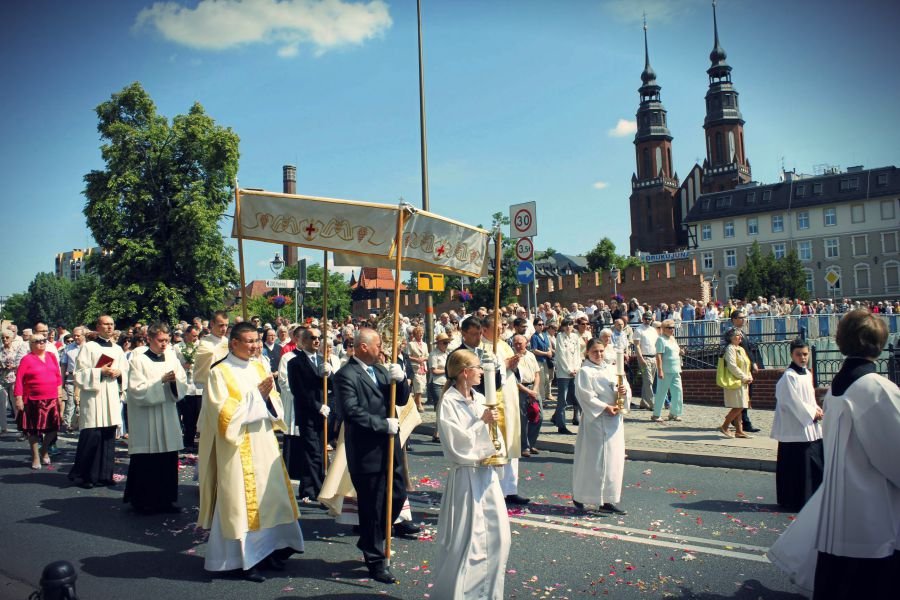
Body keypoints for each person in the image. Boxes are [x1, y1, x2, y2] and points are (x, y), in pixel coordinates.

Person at [198, 322, 303, 583]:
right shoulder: (219, 373)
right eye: (250, 341)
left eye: (257, 341)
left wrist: (266, 399)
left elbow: (275, 402)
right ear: (234, 343)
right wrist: (256, 396)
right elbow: (221, 415)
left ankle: (271, 551)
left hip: (264, 443)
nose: (256, 345)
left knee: (271, 498)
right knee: (241, 504)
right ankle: (244, 560)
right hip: (237, 447)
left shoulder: (258, 366)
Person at [807, 309, 900, 598]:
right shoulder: (876, 388)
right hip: (872, 511)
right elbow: (893, 453)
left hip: (842, 506)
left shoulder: (836, 387)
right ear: (877, 342)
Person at [333, 328, 416, 584]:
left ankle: (372, 537)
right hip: (367, 451)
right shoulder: (345, 375)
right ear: (363, 347)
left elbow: (400, 400)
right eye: (378, 344)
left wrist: (401, 379)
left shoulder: (381, 370)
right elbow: (352, 412)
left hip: (390, 446)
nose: (382, 348)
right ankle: (376, 559)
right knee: (372, 506)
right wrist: (383, 424)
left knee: (398, 495)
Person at [432, 349, 510, 598]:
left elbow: (490, 438)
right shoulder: (449, 402)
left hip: (486, 475)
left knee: (498, 538)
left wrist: (495, 434)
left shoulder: (478, 398)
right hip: (466, 477)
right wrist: (482, 423)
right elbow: (456, 443)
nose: (481, 372)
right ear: (465, 372)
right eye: (477, 367)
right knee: (469, 541)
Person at [124, 323, 187, 514]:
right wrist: (160, 381)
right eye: (160, 340)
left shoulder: (171, 358)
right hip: (146, 417)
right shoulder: (138, 360)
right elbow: (135, 389)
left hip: (167, 412)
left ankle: (167, 500)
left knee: (167, 458)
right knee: (147, 460)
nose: (164, 344)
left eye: (167, 340)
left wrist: (175, 382)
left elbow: (183, 382)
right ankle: (143, 501)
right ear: (149, 339)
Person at [572, 338, 630, 514]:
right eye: (595, 351)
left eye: (601, 351)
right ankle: (582, 496)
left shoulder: (613, 369)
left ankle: (608, 499)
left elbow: (624, 386)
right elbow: (585, 396)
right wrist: (605, 407)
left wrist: (624, 393)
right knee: (594, 461)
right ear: (587, 353)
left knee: (613, 461)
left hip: (614, 421)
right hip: (596, 421)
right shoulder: (585, 372)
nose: (599, 354)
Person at [69, 316, 127, 488]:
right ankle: (85, 476)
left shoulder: (118, 349)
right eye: (105, 324)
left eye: (111, 324)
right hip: (94, 395)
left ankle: (104, 475)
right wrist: (99, 371)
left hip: (110, 395)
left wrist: (119, 373)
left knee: (108, 436)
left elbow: (126, 371)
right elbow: (79, 373)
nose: (109, 327)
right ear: (98, 327)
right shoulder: (89, 347)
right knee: (92, 435)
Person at [771, 338, 823, 512]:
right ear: (792, 355)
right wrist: (811, 413)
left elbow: (809, 397)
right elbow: (791, 402)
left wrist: (816, 408)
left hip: (809, 424)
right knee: (796, 465)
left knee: (813, 461)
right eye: (799, 354)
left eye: (805, 354)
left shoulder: (807, 374)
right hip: (794, 427)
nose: (803, 357)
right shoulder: (789, 376)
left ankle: (813, 497)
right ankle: (793, 499)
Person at [286, 326, 332, 504]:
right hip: (308, 414)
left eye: (318, 338)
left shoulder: (322, 360)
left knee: (318, 450)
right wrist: (317, 406)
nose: (316, 341)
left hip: (323, 414)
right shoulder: (295, 363)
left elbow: (331, 387)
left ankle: (307, 487)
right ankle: (320, 490)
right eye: (312, 338)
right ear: (303, 341)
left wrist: (330, 374)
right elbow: (299, 390)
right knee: (314, 453)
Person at [14, 332, 63, 469]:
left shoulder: (52, 356)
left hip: (52, 399)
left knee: (53, 428)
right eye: (38, 341)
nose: (42, 343)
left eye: (44, 340)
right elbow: (19, 380)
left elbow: (58, 377)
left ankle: (44, 449)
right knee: (33, 430)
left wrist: (59, 396)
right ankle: (36, 456)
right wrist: (18, 398)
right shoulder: (26, 359)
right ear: (31, 344)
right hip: (33, 400)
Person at [725, 309, 762, 432]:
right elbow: (733, 353)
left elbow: (748, 350)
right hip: (740, 371)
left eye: (744, 317)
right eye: (741, 317)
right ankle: (743, 423)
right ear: (734, 319)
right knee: (742, 399)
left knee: (746, 397)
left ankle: (736, 422)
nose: (744, 319)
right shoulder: (731, 333)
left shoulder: (742, 333)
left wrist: (753, 363)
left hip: (747, 368)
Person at [718, 327, 753, 439]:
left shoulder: (741, 349)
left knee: (741, 405)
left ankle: (739, 430)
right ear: (731, 337)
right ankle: (725, 425)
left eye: (740, 335)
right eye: (737, 335)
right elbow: (732, 366)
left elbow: (746, 365)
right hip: (735, 380)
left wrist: (749, 376)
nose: (740, 337)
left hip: (743, 381)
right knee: (739, 405)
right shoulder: (730, 349)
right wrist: (743, 377)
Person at [510, 334, 541, 456]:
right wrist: (528, 392)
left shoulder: (531, 355)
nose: (518, 346)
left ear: (526, 343)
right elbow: (513, 379)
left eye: (520, 343)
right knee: (523, 419)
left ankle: (531, 442)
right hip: (521, 389)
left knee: (539, 416)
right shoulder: (512, 357)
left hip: (533, 387)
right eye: (515, 343)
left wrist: (535, 389)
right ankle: (524, 446)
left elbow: (537, 373)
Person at [174, 325, 202, 451]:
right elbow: (173, 364)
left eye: (197, 336)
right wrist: (182, 366)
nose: (196, 338)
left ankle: (198, 442)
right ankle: (188, 441)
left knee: (198, 415)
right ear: (187, 334)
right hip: (185, 386)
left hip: (199, 386)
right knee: (188, 416)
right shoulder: (177, 347)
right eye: (193, 335)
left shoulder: (200, 346)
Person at [651, 319, 684, 422]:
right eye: (669, 327)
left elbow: (676, 351)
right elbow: (659, 356)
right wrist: (660, 370)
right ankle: (656, 414)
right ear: (663, 328)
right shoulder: (661, 339)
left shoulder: (672, 339)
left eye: (673, 327)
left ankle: (675, 413)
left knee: (678, 391)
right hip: (665, 370)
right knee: (661, 392)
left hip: (676, 369)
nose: (672, 329)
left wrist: (681, 352)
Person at [553, 318, 581, 434]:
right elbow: (561, 355)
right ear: (563, 326)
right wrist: (568, 370)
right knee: (562, 400)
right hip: (564, 373)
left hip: (574, 371)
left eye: (570, 324)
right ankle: (561, 425)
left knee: (576, 397)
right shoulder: (560, 336)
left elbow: (578, 354)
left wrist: (577, 368)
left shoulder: (575, 337)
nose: (568, 327)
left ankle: (559, 417)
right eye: (566, 325)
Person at [1, 328, 28, 434]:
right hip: (2, 379)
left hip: (14, 379)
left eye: (7, 337)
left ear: (12, 338)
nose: (4, 339)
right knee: (2, 404)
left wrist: (14, 366)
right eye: (2, 337)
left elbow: (21, 363)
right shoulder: (0, 349)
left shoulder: (17, 349)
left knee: (16, 403)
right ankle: (3, 427)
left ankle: (20, 426)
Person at [427, 333, 451, 443]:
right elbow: (434, 371)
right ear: (439, 343)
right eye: (445, 342)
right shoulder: (433, 355)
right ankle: (438, 433)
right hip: (436, 383)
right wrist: (447, 371)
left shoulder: (447, 354)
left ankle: (437, 433)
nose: (446, 345)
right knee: (439, 408)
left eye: (448, 342)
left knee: (444, 408)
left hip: (446, 383)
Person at [632, 311, 658, 411]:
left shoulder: (653, 330)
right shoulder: (638, 330)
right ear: (642, 319)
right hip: (644, 358)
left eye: (649, 319)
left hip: (653, 357)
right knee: (648, 381)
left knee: (647, 382)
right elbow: (637, 346)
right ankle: (651, 403)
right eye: (646, 319)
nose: (647, 320)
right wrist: (640, 358)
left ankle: (643, 402)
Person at [406, 326, 428, 412]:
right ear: (415, 335)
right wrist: (416, 359)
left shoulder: (425, 344)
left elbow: (427, 355)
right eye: (419, 334)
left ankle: (415, 402)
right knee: (418, 385)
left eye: (422, 334)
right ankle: (419, 404)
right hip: (415, 368)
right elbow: (407, 356)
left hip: (423, 367)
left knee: (422, 386)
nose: (421, 336)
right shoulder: (411, 344)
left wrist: (424, 359)